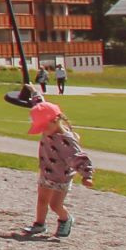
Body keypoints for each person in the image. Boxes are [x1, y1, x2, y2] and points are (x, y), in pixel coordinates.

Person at [25, 101, 92, 239]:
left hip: (61, 177)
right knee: (42, 200)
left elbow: (79, 157)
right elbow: (42, 106)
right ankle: (39, 224)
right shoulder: (49, 128)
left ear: (55, 121)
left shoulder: (66, 139)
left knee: (55, 205)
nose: (43, 131)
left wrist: (87, 175)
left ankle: (65, 219)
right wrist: (34, 92)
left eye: (44, 127)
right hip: (46, 172)